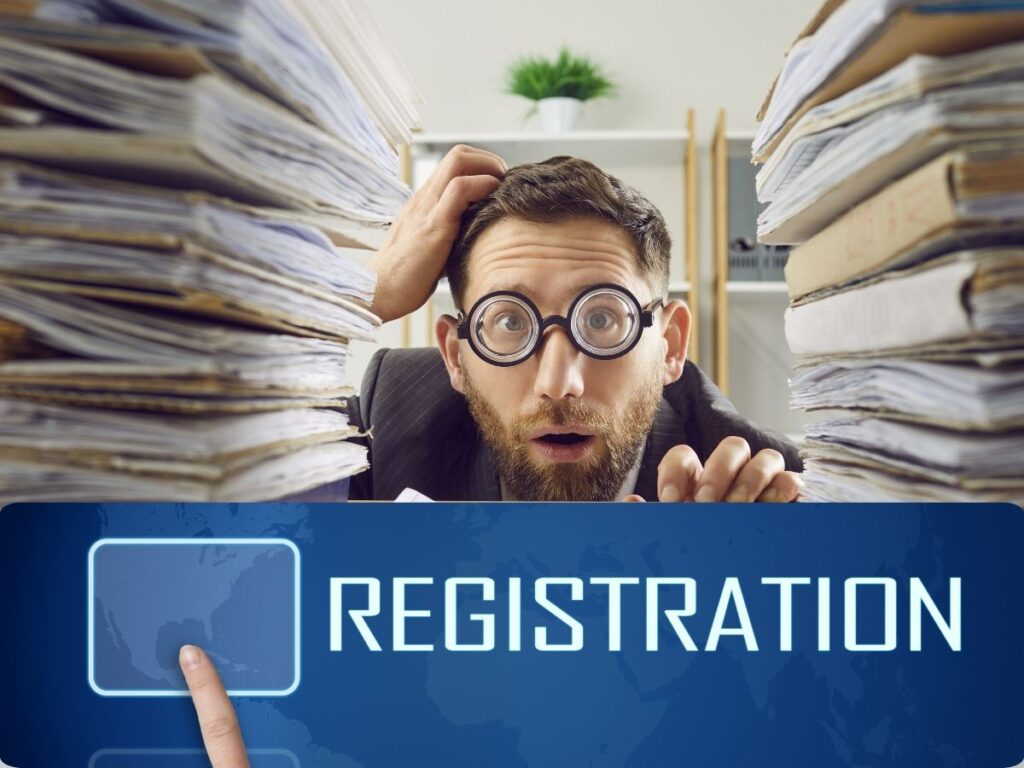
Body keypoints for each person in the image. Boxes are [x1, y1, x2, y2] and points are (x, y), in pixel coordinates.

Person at [344, 146, 802, 503]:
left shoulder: (770, 493)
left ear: (670, 344)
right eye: (508, 321)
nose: (559, 384)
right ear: (455, 357)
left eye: (601, 319)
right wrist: (360, 295)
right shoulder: (391, 418)